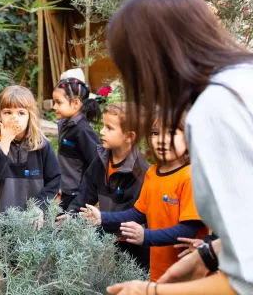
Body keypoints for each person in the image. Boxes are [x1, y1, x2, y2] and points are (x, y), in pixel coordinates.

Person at [101, 0, 253, 295]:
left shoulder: (215, 108)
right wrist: (210, 252)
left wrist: (149, 291)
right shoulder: (242, 80)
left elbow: (245, 279)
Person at [82, 111, 208, 282]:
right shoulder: (152, 173)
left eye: (171, 133)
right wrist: (103, 218)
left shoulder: (190, 177)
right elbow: (137, 213)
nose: (161, 139)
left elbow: (188, 229)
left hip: (188, 273)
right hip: (158, 269)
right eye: (155, 133)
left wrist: (146, 236)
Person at [66, 102, 150, 270]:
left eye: (109, 128)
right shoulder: (102, 159)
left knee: (131, 275)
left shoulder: (139, 172)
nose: (101, 131)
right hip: (108, 230)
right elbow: (86, 193)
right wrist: (71, 216)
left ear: (130, 136)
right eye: (103, 126)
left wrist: (96, 223)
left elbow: (133, 216)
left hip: (135, 242)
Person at [0, 85, 61, 218]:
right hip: (6, 220)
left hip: (36, 219)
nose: (14, 118)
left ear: (29, 116)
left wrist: (40, 206)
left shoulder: (42, 145)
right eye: (7, 112)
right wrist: (5, 142)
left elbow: (54, 179)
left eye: (21, 113)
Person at [53, 68, 101, 210]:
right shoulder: (66, 125)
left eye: (58, 102)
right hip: (66, 191)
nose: (54, 107)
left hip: (77, 195)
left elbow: (98, 162)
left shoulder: (83, 131)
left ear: (75, 103)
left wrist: (85, 195)